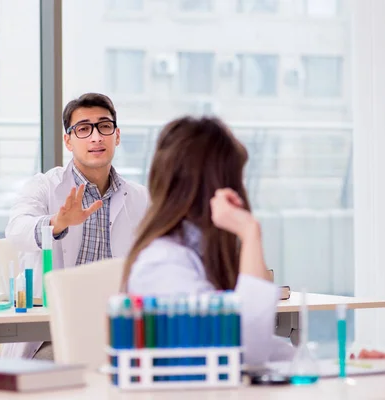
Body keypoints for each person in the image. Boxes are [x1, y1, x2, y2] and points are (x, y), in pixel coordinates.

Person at [122, 116, 294, 365]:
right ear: (214, 186)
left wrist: (338, 364)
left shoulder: (199, 249)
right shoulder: (162, 263)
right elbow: (247, 351)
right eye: (236, 179)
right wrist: (249, 232)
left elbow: (264, 346)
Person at [3, 93, 149, 360]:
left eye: (104, 126)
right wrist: (56, 224)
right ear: (68, 141)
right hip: (54, 332)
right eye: (83, 129)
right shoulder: (45, 186)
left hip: (120, 331)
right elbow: (16, 231)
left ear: (116, 136)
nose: (96, 137)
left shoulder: (140, 198)